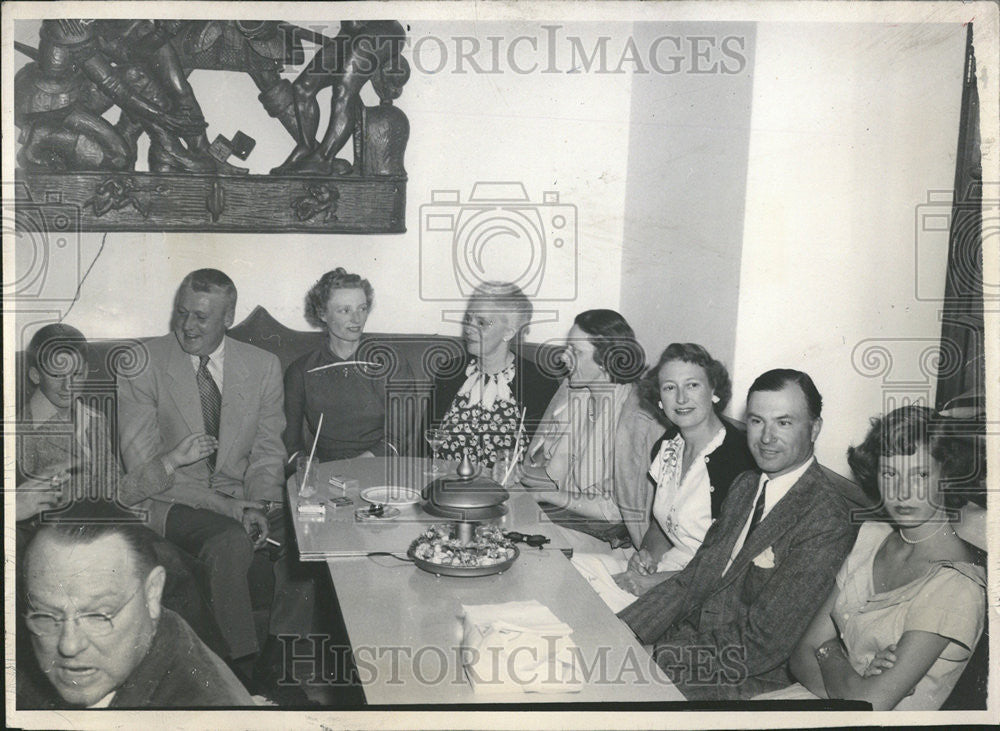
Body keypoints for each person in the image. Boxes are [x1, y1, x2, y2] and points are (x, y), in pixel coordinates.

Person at [117, 269, 314, 701]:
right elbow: (143, 470)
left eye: (201, 318)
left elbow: (267, 451)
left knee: (311, 538)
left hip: (242, 497)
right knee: (230, 542)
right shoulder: (142, 363)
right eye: (182, 313)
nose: (187, 326)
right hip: (170, 498)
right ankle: (243, 675)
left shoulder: (261, 366)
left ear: (228, 317)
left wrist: (259, 502)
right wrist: (231, 509)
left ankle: (282, 661)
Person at [618, 369, 859, 700]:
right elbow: (690, 580)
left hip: (746, 678)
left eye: (784, 423)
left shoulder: (824, 519)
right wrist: (622, 631)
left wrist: (658, 655)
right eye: (757, 421)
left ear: (814, 428)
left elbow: (763, 643)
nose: (766, 437)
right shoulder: (746, 485)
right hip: (690, 648)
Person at [761, 406, 986, 710]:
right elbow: (802, 653)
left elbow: (871, 705)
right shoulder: (873, 537)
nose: (902, 492)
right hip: (819, 702)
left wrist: (828, 652)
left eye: (919, 474)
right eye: (890, 473)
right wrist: (850, 681)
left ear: (945, 476)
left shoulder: (958, 585)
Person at [571, 343, 756, 611]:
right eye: (670, 387)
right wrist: (646, 555)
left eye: (692, 385)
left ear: (714, 390)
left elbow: (731, 565)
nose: (681, 398)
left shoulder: (738, 460)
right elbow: (661, 525)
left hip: (701, 593)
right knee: (568, 569)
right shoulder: (669, 444)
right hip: (664, 568)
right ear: (660, 398)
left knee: (582, 606)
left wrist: (657, 582)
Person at [18, 502, 254, 708]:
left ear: (152, 594)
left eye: (99, 615)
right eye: (45, 616)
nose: (69, 646)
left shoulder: (206, 709)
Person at [523, 310, 664, 553]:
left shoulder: (636, 418)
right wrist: (514, 474)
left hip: (611, 539)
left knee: (527, 547)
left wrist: (546, 495)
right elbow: (554, 475)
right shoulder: (574, 392)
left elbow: (615, 510)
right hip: (568, 519)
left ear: (606, 360)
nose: (564, 358)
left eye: (576, 352)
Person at [283, 267, 414, 462]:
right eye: (345, 310)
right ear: (323, 314)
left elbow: (397, 440)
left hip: (379, 469)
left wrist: (352, 469)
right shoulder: (301, 370)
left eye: (362, 308)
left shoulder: (391, 363)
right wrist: (311, 473)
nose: (357, 319)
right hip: (324, 474)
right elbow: (290, 445)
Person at [429, 281, 559, 469]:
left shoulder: (539, 382)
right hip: (445, 488)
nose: (468, 328)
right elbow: (425, 447)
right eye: (469, 319)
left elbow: (541, 459)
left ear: (508, 332)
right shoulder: (449, 371)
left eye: (481, 322)